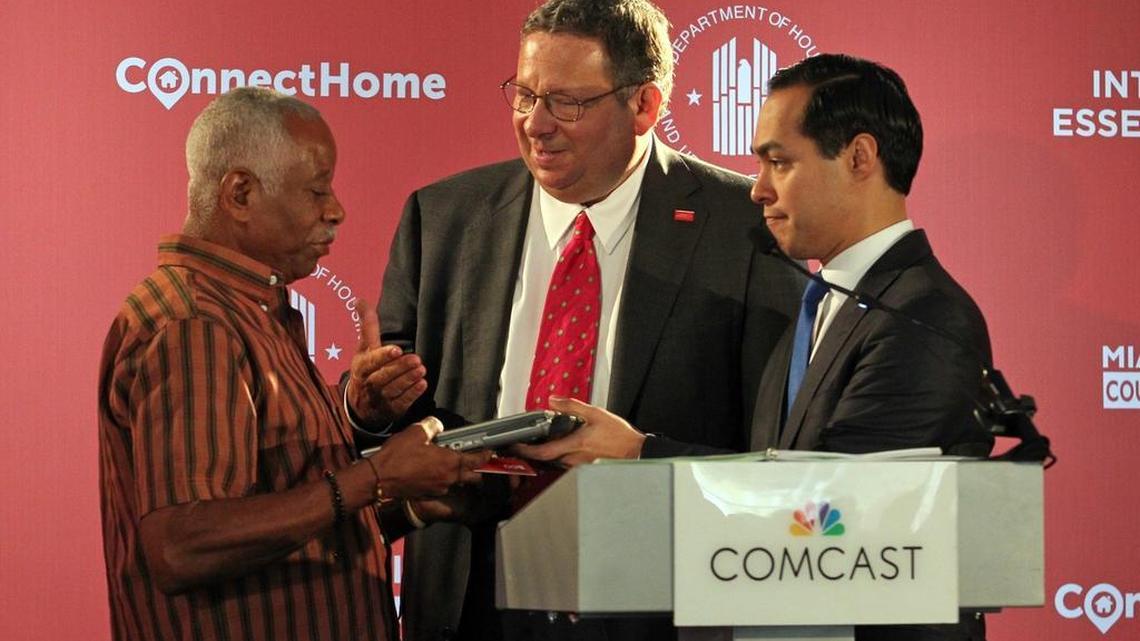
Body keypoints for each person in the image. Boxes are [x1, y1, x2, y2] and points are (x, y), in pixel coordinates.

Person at [345, 1, 801, 639]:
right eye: (524, 95)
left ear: (645, 105)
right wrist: (366, 406)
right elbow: (396, 408)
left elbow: (777, 450)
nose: (536, 125)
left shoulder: (747, 228)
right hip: (472, 597)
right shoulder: (444, 217)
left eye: (567, 102)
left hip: (654, 603)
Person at [521, 54, 994, 641]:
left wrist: (642, 457)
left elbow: (829, 519)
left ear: (859, 158)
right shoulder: (820, 301)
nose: (758, 189)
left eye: (780, 162)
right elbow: (779, 476)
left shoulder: (924, 317)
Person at [97, 87, 489, 641]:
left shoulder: (252, 311)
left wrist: (405, 504)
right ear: (239, 193)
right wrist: (373, 476)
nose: (336, 210)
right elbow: (183, 546)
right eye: (316, 190)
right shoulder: (194, 324)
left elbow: (286, 522)